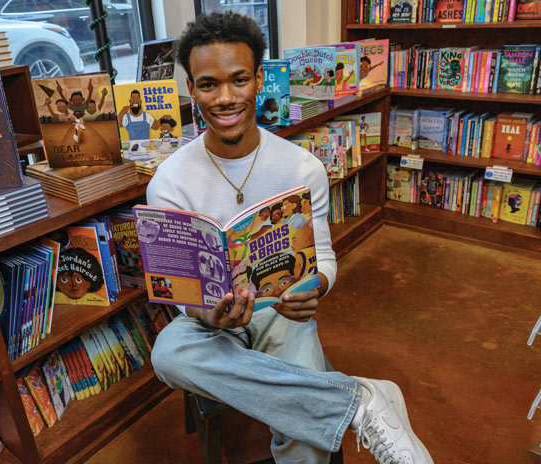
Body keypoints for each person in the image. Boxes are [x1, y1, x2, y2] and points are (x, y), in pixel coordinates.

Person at [146, 11, 433, 464]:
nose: (225, 98)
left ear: (259, 79)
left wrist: (314, 287)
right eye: (208, 84)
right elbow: (180, 291)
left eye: (239, 80)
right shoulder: (168, 181)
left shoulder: (302, 168)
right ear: (191, 89)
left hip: (281, 311)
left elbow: (323, 259)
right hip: (211, 323)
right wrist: (207, 313)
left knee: (301, 416)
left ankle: (325, 404)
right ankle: (357, 401)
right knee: (168, 354)